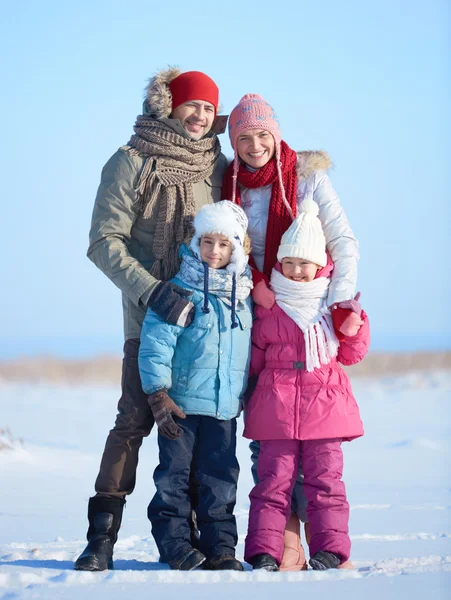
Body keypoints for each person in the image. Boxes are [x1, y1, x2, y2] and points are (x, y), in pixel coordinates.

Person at [75, 68, 228, 571]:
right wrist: (153, 292)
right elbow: (103, 242)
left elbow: (236, 229)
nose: (201, 116)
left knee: (200, 433)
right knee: (134, 421)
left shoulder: (215, 165)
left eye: (209, 108)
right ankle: (101, 539)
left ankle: (193, 542)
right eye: (193, 105)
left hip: (203, 329)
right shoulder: (131, 161)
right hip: (148, 320)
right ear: (168, 105)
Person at [222, 93, 361, 570]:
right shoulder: (230, 183)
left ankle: (323, 546)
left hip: (311, 305)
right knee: (273, 448)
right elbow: (229, 248)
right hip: (258, 309)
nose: (255, 145)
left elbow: (342, 241)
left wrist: (338, 301)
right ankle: (284, 541)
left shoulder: (308, 177)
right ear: (234, 141)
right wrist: (256, 285)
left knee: (318, 459)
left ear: (276, 135)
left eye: (263, 135)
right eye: (244, 137)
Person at [243, 199, 370, 571]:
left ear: (320, 265)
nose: (297, 271)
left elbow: (351, 355)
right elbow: (255, 356)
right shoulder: (268, 304)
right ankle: (267, 551)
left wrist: (354, 329)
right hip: (276, 407)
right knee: (271, 482)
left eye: (305, 263)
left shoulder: (334, 304)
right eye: (291, 263)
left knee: (326, 482)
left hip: (325, 406)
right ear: (280, 263)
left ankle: (331, 550)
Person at [138, 201, 253, 571]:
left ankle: (220, 547)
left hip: (223, 409)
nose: (214, 251)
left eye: (223, 245)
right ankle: (175, 545)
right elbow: (156, 342)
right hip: (181, 406)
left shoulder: (244, 299)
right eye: (207, 242)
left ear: (236, 249)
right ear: (195, 242)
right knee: (174, 478)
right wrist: (158, 392)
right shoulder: (179, 290)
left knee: (220, 479)